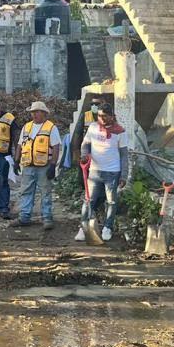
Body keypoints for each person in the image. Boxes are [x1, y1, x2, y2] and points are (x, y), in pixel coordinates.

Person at [79, 103, 128, 242]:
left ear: (112, 116)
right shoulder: (93, 128)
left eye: (105, 116)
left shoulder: (120, 132)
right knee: (89, 200)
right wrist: (85, 155)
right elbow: (85, 144)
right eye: (100, 116)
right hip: (94, 170)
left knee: (111, 202)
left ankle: (108, 227)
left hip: (112, 172)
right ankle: (84, 227)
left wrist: (124, 175)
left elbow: (124, 155)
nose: (102, 119)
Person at [16, 101, 62, 229]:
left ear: (44, 113)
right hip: (28, 165)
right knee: (26, 191)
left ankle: (47, 218)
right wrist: (16, 160)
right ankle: (24, 217)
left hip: (44, 166)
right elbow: (20, 145)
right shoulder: (27, 127)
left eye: (37, 112)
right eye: (32, 112)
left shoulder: (51, 128)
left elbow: (56, 147)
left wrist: (53, 165)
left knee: (45, 192)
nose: (34, 114)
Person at [71, 96, 104, 241]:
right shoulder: (86, 116)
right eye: (92, 104)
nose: (94, 106)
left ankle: (97, 214)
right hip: (87, 159)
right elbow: (78, 135)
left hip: (102, 160)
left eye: (97, 104)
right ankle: (86, 223)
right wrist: (77, 155)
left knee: (100, 191)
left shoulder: (109, 118)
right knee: (87, 190)